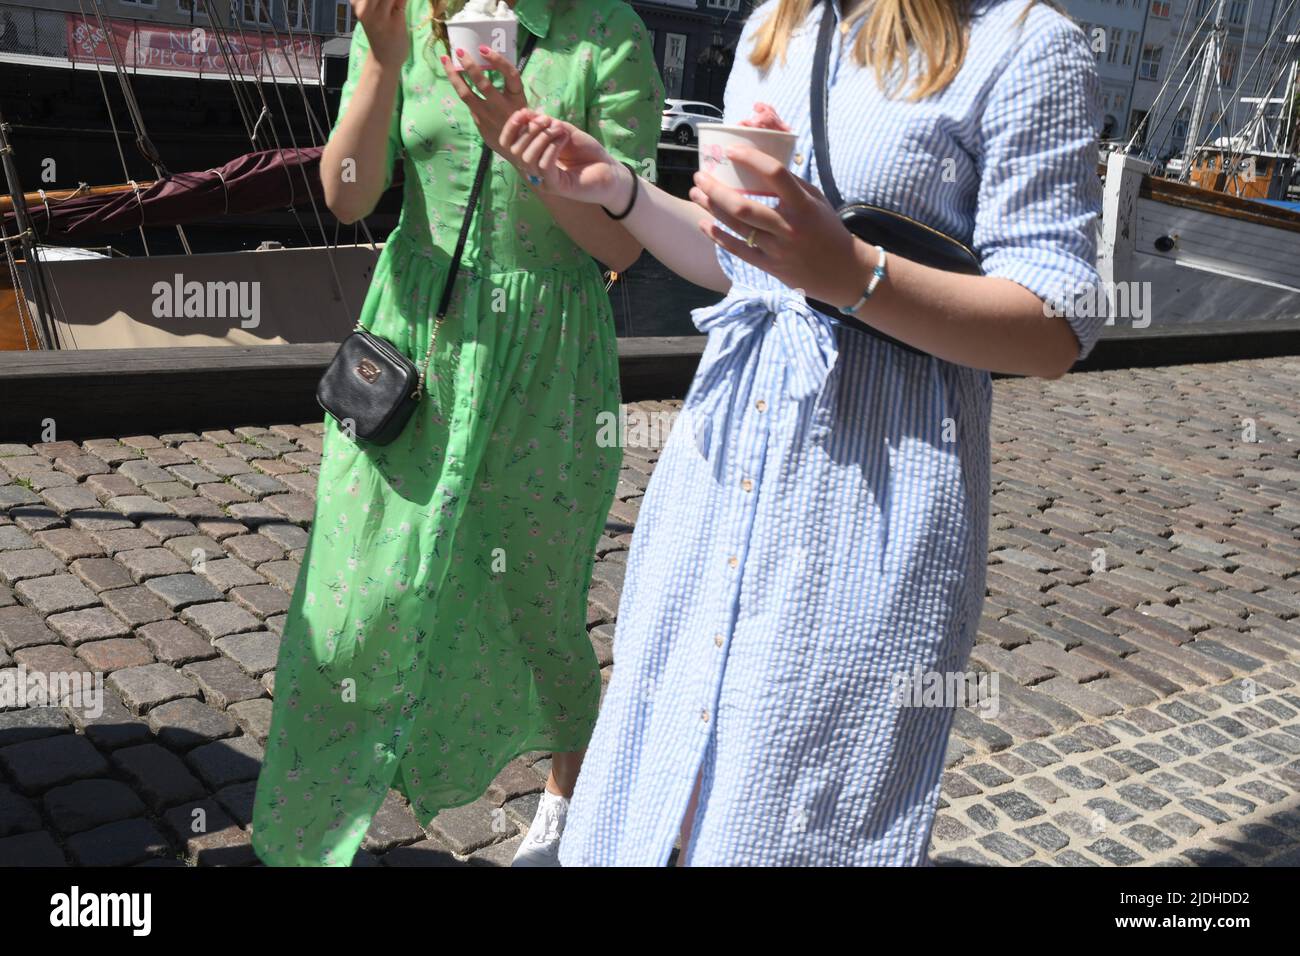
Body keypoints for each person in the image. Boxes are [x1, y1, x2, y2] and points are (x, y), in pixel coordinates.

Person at [498, 0, 1106, 864]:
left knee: (797, 813)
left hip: (869, 496)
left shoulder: (1023, 45)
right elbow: (741, 265)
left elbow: (1054, 323)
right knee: (657, 783)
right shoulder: (774, 28)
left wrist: (850, 274)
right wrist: (621, 193)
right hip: (717, 475)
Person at [250, 0, 663, 867]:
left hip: (547, 354)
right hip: (415, 337)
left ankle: (566, 806)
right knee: (356, 593)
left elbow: (617, 245)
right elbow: (349, 195)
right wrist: (384, 59)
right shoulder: (397, 15)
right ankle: (309, 833)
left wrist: (520, 136)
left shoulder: (604, 33)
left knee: (538, 597)